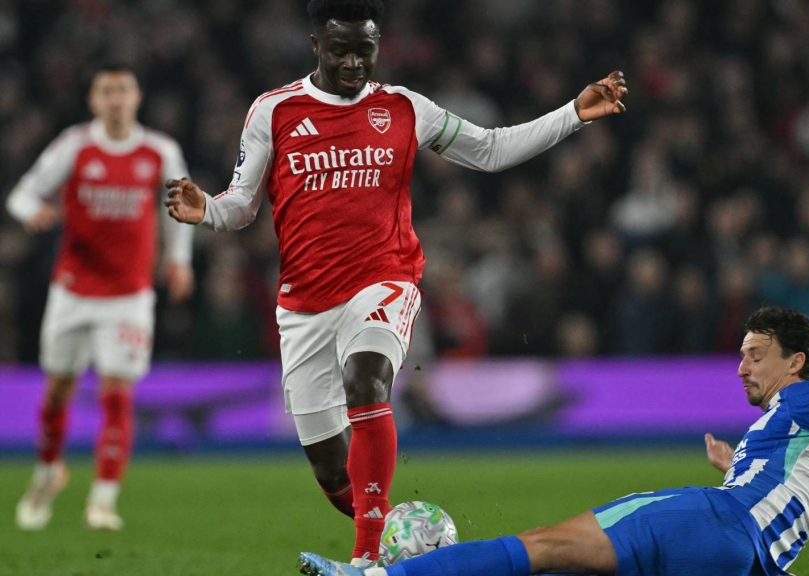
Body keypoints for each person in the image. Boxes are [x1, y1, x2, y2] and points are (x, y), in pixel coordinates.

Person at [163, 0, 627, 566]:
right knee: (337, 479)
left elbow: (491, 149)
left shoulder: (406, 108)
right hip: (305, 307)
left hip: (384, 281)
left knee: (367, 382)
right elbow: (241, 206)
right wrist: (205, 209)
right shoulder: (274, 111)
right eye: (341, 51)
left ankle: (365, 564)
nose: (355, 63)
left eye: (366, 49)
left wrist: (572, 114)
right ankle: (415, 549)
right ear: (315, 43)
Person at [294, 306, 809, 576]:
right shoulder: (790, 429)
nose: (742, 366)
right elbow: (797, 474)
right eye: (739, 353)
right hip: (750, 560)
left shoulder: (805, 395)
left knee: (542, 549)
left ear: (794, 361)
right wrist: (743, 463)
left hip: (710, 522)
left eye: (755, 352)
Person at [6, 62, 195, 531]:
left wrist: (180, 260)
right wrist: (33, 212)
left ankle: (104, 499)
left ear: (136, 98)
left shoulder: (160, 150)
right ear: (93, 100)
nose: (115, 98)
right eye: (106, 91)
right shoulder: (75, 144)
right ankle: (49, 472)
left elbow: (181, 208)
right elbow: (22, 194)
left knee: (117, 395)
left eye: (123, 89)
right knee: (58, 393)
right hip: (71, 290)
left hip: (129, 295)